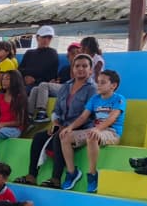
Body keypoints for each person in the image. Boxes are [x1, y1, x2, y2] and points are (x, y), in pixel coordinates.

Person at [16, 54, 96, 187]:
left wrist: (68, 128)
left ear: (90, 70)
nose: (80, 69)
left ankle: (56, 179)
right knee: (38, 137)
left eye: (84, 66)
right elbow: (56, 109)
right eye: (77, 66)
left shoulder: (92, 89)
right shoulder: (65, 86)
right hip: (63, 125)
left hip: (82, 127)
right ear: (73, 69)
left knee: (60, 136)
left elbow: (87, 115)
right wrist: (56, 123)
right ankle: (31, 176)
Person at [60, 70, 125, 193]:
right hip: (96, 130)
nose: (98, 85)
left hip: (112, 132)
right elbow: (83, 117)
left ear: (113, 85)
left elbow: (112, 118)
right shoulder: (95, 98)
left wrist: (97, 129)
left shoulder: (119, 99)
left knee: (92, 136)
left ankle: (92, 174)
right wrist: (70, 127)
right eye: (98, 82)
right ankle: (72, 172)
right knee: (65, 137)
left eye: (103, 82)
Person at [19, 26, 60, 91]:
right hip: (25, 84)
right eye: (44, 37)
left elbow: (52, 75)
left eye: (49, 38)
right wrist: (25, 78)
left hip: (40, 86)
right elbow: (20, 70)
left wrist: (35, 80)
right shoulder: (29, 53)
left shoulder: (52, 53)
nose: (46, 40)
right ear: (37, 37)